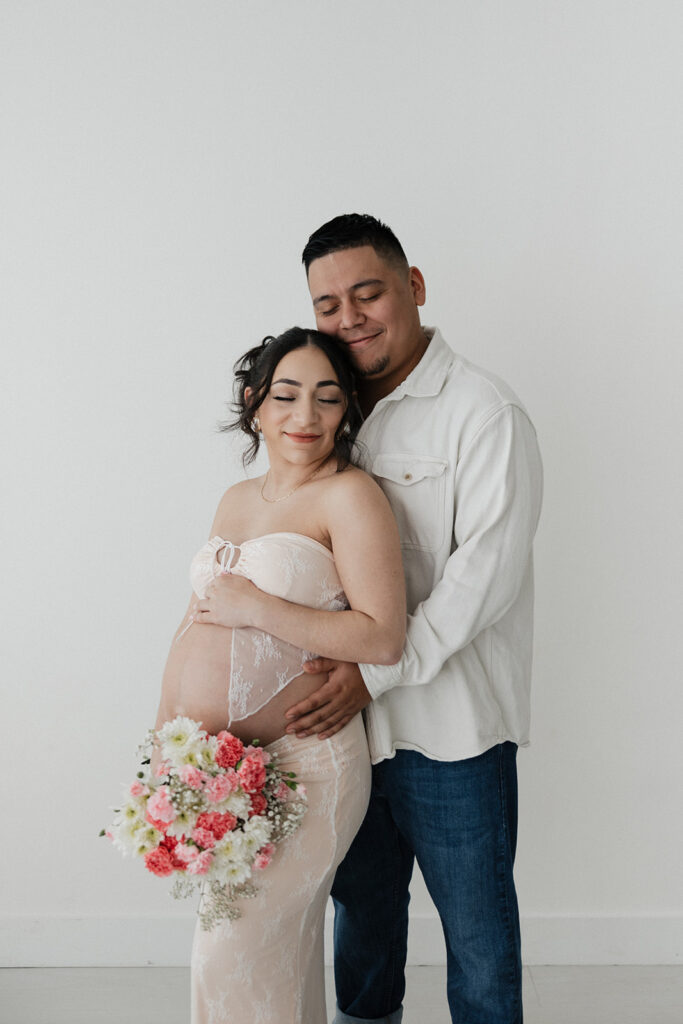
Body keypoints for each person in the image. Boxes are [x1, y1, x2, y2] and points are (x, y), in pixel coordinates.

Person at [283, 214, 544, 1024]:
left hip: (452, 733)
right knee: (360, 928)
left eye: (367, 293)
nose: (348, 317)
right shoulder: (326, 410)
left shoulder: (484, 412)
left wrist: (371, 673)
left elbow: (481, 581)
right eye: (328, 304)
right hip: (344, 734)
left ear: (413, 287)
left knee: (477, 939)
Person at [152, 326, 406, 1024]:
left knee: (229, 950)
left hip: (309, 765)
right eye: (287, 395)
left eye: (327, 399)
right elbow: (196, 618)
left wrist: (259, 605)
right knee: (273, 959)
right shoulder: (236, 498)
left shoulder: (349, 496)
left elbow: (382, 636)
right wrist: (163, 736)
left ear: (347, 411)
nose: (305, 416)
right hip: (224, 769)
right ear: (253, 402)